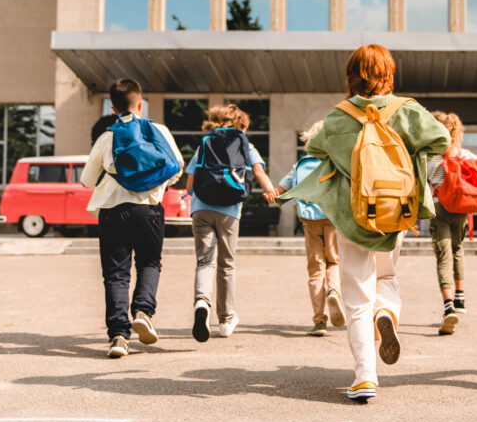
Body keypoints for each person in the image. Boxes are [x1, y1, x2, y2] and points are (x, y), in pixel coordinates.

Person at [275, 44, 450, 402]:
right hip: (396, 213)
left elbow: (314, 152)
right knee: (387, 276)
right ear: (389, 74)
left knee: (356, 296)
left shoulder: (338, 118)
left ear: (351, 76)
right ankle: (385, 312)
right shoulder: (408, 110)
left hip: (354, 216)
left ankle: (365, 376)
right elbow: (441, 140)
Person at [81, 78, 184, 358]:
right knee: (150, 262)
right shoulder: (157, 129)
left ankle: (118, 337)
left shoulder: (107, 136)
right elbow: (177, 167)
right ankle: (143, 311)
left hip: (113, 211)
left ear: (113, 108)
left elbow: (87, 180)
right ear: (141, 104)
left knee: (116, 274)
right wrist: (155, 184)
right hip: (149, 209)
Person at [186, 104, 276, 342]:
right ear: (241, 125)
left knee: (205, 261)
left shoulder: (205, 142)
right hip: (229, 210)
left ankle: (201, 302)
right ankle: (225, 320)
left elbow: (190, 181)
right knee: (226, 264)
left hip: (201, 207)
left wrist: (193, 200)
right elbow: (258, 172)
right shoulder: (245, 144)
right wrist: (270, 192)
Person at [426, 111, 477, 335]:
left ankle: (448, 305)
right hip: (461, 209)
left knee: (444, 256)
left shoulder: (431, 158)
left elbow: (419, 186)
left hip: (440, 209)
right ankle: (460, 299)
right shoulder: (464, 154)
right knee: (457, 249)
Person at [270, 120, 346, 337]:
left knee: (315, 269)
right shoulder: (335, 162)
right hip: (333, 220)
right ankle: (334, 290)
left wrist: (272, 194)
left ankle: (319, 321)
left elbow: (281, 190)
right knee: (334, 262)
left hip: (309, 222)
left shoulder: (300, 164)